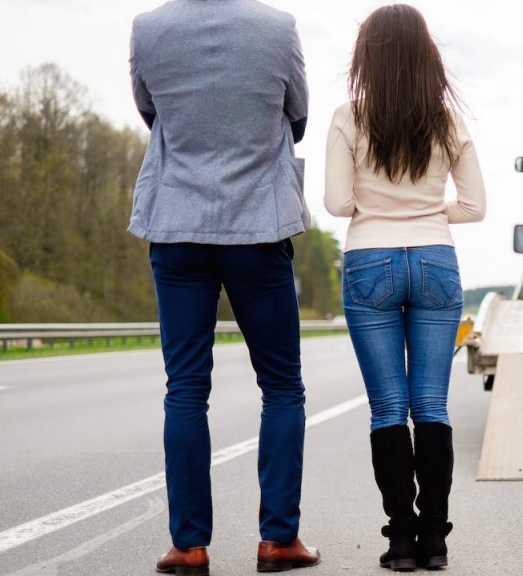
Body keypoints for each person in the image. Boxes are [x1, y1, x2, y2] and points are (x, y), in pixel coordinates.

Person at [128, 1, 320, 573]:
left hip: (178, 222)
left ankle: (188, 546)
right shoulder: (278, 27)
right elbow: (299, 115)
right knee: (282, 387)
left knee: (185, 389)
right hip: (258, 225)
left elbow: (150, 109)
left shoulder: (148, 28)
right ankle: (278, 540)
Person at [324, 4, 486, 571]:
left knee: (388, 408)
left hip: (370, 260)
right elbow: (475, 206)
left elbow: (338, 204)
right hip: (436, 260)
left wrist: (379, 208)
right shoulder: (446, 121)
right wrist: (427, 212)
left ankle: (400, 539)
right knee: (432, 405)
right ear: (427, 57)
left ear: (366, 58)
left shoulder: (349, 117)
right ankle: (436, 542)